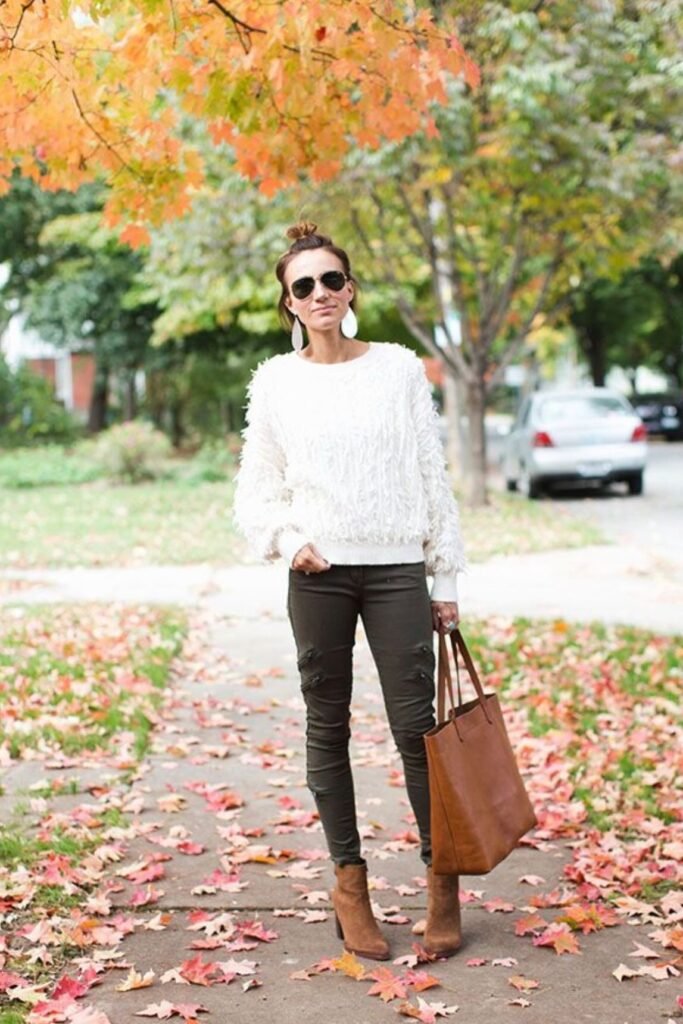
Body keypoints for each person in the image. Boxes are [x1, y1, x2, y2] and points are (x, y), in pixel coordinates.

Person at [233, 222, 467, 961]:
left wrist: (445, 574)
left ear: (350, 287)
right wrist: (286, 539)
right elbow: (256, 485)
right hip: (319, 575)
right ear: (288, 303)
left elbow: (431, 474)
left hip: (397, 566)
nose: (320, 294)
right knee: (325, 725)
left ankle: (441, 884)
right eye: (303, 286)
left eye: (330, 280)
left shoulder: (397, 369)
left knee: (415, 731)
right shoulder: (275, 380)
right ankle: (349, 886)